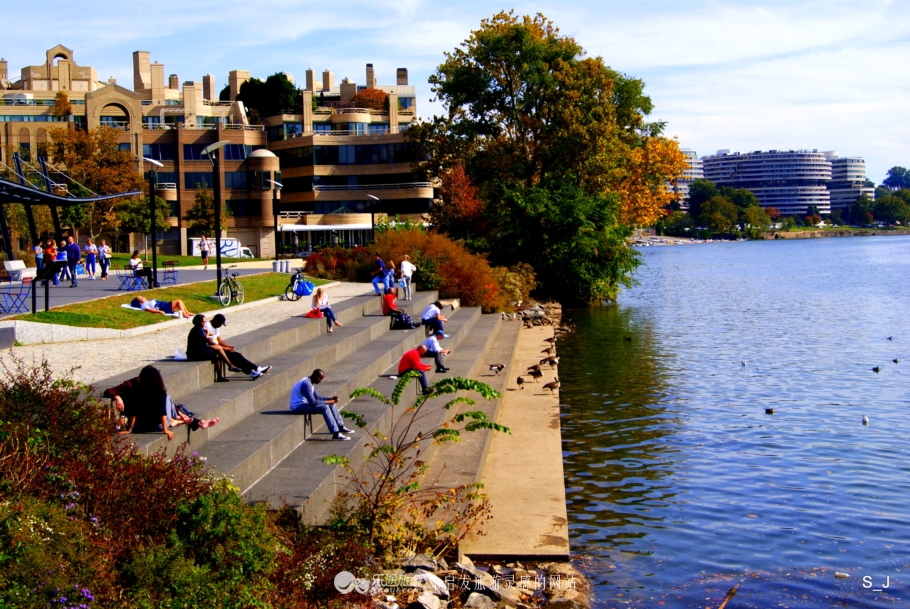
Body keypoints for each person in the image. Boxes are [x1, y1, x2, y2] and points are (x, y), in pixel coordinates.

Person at [103, 365, 219, 440]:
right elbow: (162, 411)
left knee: (168, 402)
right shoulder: (153, 391)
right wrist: (117, 397)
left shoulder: (140, 392)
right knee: (167, 398)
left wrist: (130, 429)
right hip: (157, 425)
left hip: (139, 427)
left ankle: (182, 419)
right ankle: (181, 420)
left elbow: (135, 411)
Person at [289, 369, 355, 441]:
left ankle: (340, 426)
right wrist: (329, 402)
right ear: (315, 376)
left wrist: (330, 399)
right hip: (298, 406)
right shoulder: (306, 384)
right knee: (325, 407)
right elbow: (313, 402)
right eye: (320, 378)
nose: (320, 381)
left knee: (331, 404)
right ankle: (336, 434)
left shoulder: (310, 382)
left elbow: (317, 397)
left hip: (304, 404)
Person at [203, 313, 271, 379]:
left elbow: (219, 341)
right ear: (216, 320)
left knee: (237, 355)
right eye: (220, 323)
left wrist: (229, 347)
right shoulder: (207, 326)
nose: (220, 326)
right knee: (232, 357)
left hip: (219, 347)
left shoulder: (216, 328)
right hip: (211, 349)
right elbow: (210, 342)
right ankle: (250, 372)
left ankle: (256, 368)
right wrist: (225, 349)